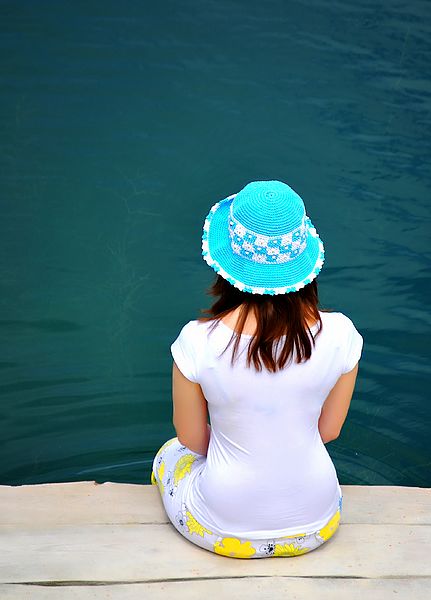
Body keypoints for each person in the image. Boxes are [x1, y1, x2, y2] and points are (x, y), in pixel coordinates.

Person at [151, 180, 363, 559]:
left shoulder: (196, 341)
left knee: (169, 454)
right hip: (317, 524)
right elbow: (328, 431)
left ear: (225, 265)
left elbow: (189, 436)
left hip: (219, 528)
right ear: (303, 264)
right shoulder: (342, 333)